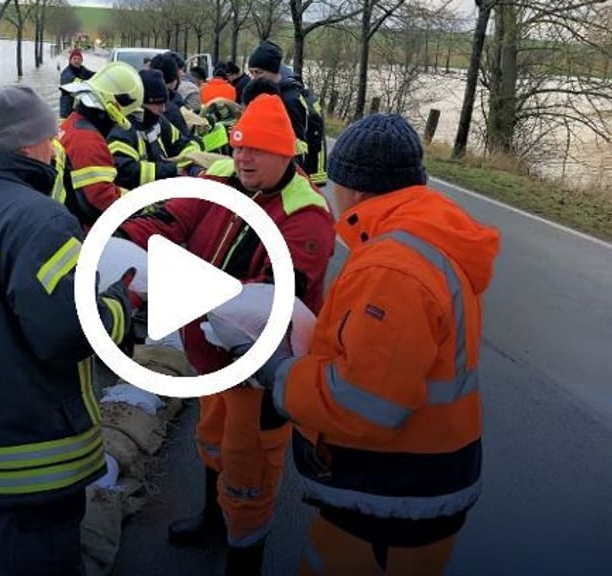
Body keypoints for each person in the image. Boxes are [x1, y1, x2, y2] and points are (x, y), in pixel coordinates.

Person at [245, 114, 501, 576]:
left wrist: (279, 372)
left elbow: (365, 403)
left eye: (335, 184)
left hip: (391, 499)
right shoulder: (427, 240)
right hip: (418, 485)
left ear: (357, 190)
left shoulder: (391, 268)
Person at [0, 86, 142, 576]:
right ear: (30, 146)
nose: (57, 147)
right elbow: (67, 333)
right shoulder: (42, 220)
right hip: (29, 460)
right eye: (51, 138)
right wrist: (121, 306)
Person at [116, 93, 335, 575]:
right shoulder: (218, 180)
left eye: (255, 149)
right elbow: (171, 217)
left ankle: (244, 558)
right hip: (210, 360)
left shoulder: (307, 216)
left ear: (287, 153)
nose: (242, 157)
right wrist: (122, 244)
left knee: (248, 472)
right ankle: (214, 522)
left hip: (260, 375)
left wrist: (176, 285)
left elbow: (270, 300)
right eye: (238, 147)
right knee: (211, 442)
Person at [58, 62, 144, 227]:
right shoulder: (89, 141)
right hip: (81, 231)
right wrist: (139, 204)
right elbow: (102, 203)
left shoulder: (71, 123)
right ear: (111, 111)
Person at [245, 41, 328, 185]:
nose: (254, 78)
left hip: (300, 173)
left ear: (274, 71)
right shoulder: (279, 92)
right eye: (251, 72)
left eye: (258, 72)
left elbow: (297, 144)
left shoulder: (289, 99)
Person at [107, 69, 200, 190]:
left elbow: (184, 144)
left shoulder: (158, 120)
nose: (163, 109)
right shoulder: (121, 128)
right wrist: (172, 170)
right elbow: (125, 171)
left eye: (164, 103)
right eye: (157, 104)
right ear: (139, 105)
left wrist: (192, 166)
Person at [59, 48, 95, 119]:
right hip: (67, 108)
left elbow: (91, 75)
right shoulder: (66, 73)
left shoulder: (82, 69)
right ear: (70, 60)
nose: (76, 61)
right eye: (74, 59)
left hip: (79, 106)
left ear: (81, 61)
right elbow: (72, 81)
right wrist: (85, 83)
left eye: (78, 59)